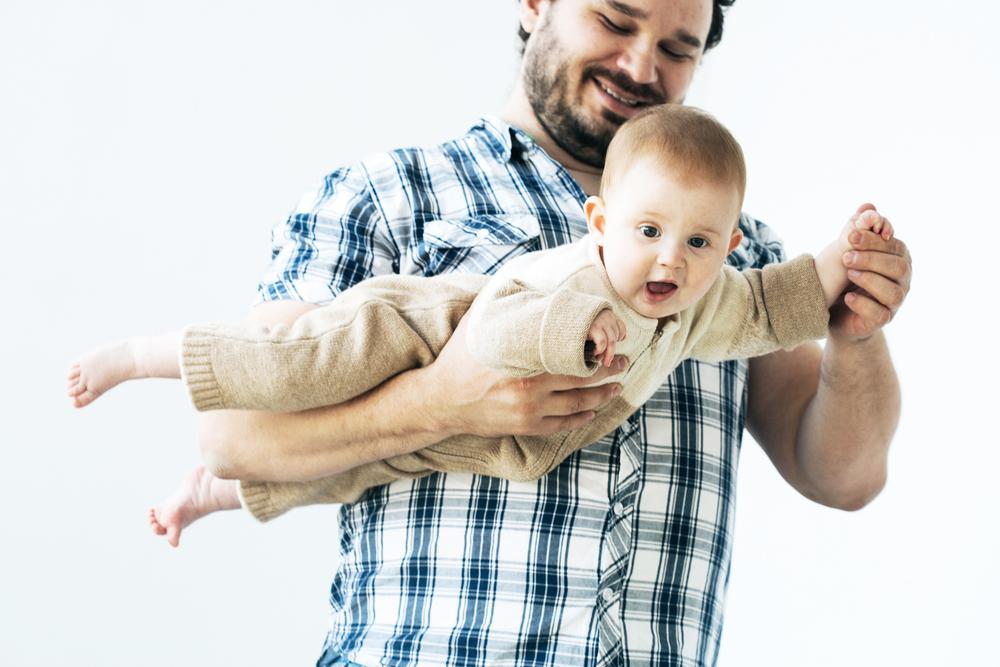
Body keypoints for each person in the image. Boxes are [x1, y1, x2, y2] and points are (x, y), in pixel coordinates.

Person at [133, 1, 918, 664]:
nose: (644, 67)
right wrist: (445, 403)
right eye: (617, 19)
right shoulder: (388, 196)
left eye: (678, 49)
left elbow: (843, 477)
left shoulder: (733, 257)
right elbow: (232, 435)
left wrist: (856, 328)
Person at [68, 105, 893, 539]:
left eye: (699, 243)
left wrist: (844, 273)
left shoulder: (699, 291)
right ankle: (143, 354)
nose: (669, 260)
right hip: (420, 329)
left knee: (359, 469)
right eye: (648, 233)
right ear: (601, 222)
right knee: (302, 361)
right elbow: (511, 330)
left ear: (729, 243)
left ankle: (212, 500)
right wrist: (569, 345)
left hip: (512, 447)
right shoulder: (573, 269)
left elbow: (763, 306)